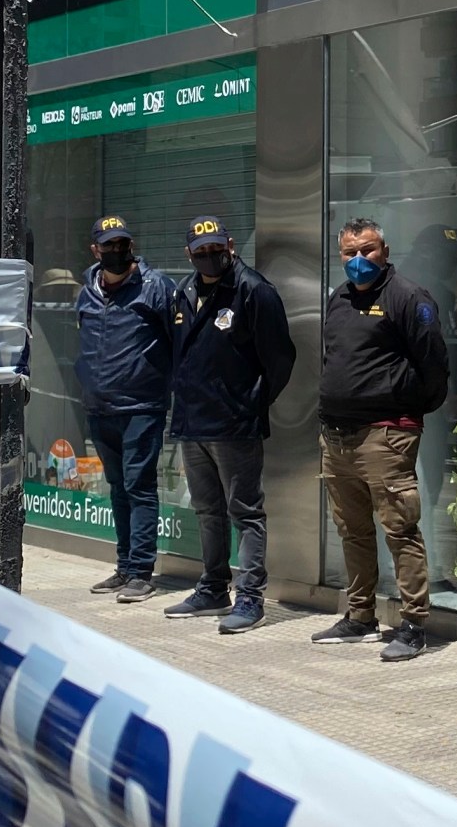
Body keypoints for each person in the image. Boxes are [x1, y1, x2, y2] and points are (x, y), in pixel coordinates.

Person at [315, 218, 451, 662]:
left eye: (367, 251)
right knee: (351, 531)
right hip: (337, 437)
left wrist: (407, 413)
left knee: (399, 529)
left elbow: (434, 364)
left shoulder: (407, 297)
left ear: (385, 250)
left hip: (386, 434)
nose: (358, 260)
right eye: (349, 253)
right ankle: (360, 615)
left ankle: (413, 623)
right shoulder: (337, 299)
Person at [161, 213, 297, 634]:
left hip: (235, 425)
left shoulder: (254, 290)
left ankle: (251, 598)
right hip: (192, 423)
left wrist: (252, 403)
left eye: (216, 249)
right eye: (201, 252)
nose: (209, 257)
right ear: (189, 254)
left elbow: (280, 359)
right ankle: (213, 588)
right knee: (207, 511)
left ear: (231, 246)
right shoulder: (183, 291)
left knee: (245, 513)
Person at [75, 214, 175, 603]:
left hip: (142, 406)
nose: (117, 251)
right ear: (95, 250)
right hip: (100, 408)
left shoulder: (155, 288)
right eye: (109, 245)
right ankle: (124, 566)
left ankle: (142, 571)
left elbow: (175, 342)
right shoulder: (87, 290)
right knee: (117, 488)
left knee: (140, 486)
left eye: (123, 244)